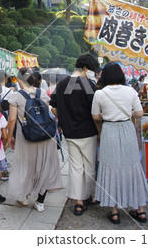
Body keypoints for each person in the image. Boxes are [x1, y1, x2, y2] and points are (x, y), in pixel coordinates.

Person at [91, 62, 148, 224]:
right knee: (132, 165)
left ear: (104, 76)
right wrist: (126, 112)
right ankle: (140, 210)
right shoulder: (131, 91)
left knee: (111, 167)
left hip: (109, 130)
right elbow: (139, 113)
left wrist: (108, 114)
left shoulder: (100, 94)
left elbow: (95, 116)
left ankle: (115, 211)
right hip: (127, 129)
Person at [7, 67, 63, 212]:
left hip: (27, 137)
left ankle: (23, 197)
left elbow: (12, 119)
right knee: (43, 167)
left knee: (25, 166)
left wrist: (9, 137)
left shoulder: (16, 97)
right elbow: (48, 114)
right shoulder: (42, 93)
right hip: (45, 136)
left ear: (19, 80)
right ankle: (40, 201)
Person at [50, 54, 100, 216]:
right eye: (92, 70)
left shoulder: (63, 83)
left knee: (76, 167)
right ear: (85, 68)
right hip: (88, 132)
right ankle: (85, 197)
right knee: (89, 167)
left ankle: (78, 201)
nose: (93, 73)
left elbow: (53, 107)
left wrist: (63, 119)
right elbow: (95, 111)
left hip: (69, 133)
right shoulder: (88, 84)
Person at [0, 70, 13, 181]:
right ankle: (3, 168)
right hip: (4, 118)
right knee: (3, 142)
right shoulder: (9, 91)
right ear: (5, 79)